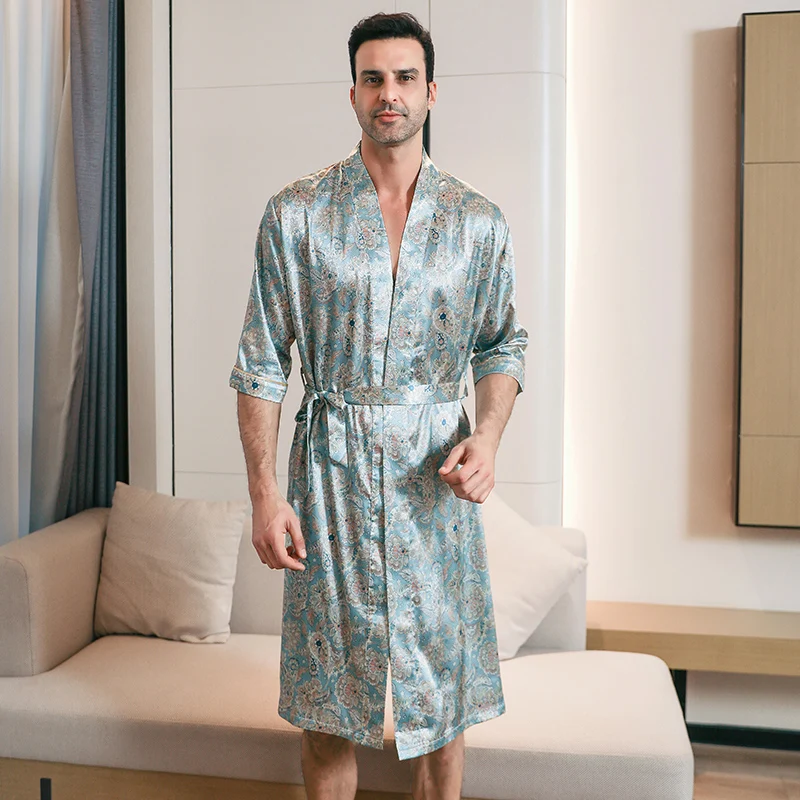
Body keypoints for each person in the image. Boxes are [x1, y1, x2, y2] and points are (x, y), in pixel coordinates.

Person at [230, 11, 528, 800]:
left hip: (435, 487)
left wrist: (488, 438)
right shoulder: (296, 213)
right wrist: (264, 494)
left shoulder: (477, 222)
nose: (388, 93)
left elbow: (502, 346)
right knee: (328, 709)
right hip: (331, 483)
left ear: (431, 91)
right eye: (373, 79)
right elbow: (260, 363)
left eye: (404, 78)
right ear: (352, 93)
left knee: (443, 712)